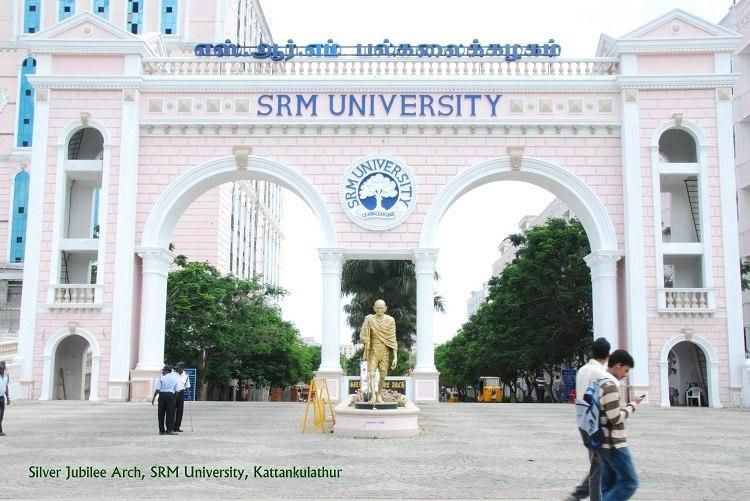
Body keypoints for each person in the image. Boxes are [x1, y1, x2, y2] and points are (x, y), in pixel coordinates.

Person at [567, 336, 611, 501]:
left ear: (592, 352)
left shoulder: (582, 370)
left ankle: (579, 495)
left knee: (597, 462)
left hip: (582, 422)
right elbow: (603, 401)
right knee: (599, 465)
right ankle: (582, 495)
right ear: (607, 355)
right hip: (596, 424)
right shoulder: (600, 374)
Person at [599, 349, 645, 501]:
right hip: (614, 443)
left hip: (603, 442)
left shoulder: (600, 381)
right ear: (617, 366)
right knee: (629, 483)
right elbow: (615, 418)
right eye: (625, 370)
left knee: (608, 485)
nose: (625, 375)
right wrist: (633, 404)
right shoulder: (610, 386)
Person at [359, 299, 398, 403]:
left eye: (381, 308)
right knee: (371, 373)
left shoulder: (390, 320)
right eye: (378, 308)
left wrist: (395, 357)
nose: (380, 310)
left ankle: (379, 394)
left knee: (383, 375)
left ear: (385, 308)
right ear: (374, 308)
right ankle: (373, 396)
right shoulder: (369, 319)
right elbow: (362, 334)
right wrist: (365, 339)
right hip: (373, 351)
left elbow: (393, 339)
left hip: (384, 352)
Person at [151, 364, 179, 435]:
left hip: (162, 396)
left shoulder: (161, 378)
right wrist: (174, 399)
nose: (162, 372)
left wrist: (153, 398)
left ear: (166, 371)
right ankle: (169, 429)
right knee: (171, 413)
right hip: (171, 396)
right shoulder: (175, 379)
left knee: (161, 413)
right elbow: (176, 391)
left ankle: (161, 430)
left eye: (163, 370)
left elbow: (157, 390)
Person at [173, 362, 191, 432]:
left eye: (178, 368)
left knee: (180, 410)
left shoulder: (186, 376)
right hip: (173, 392)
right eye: (176, 368)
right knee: (172, 410)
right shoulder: (173, 374)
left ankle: (177, 427)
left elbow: (187, 386)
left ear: (182, 369)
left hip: (181, 393)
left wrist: (189, 395)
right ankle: (171, 426)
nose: (176, 369)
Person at [0, 361, 9, 436]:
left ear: (4, 368)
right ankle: (0, 431)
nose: (1, 369)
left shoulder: (6, 376)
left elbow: (6, 386)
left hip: (2, 398)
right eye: (0, 368)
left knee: (1, 415)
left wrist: (8, 397)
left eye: (2, 368)